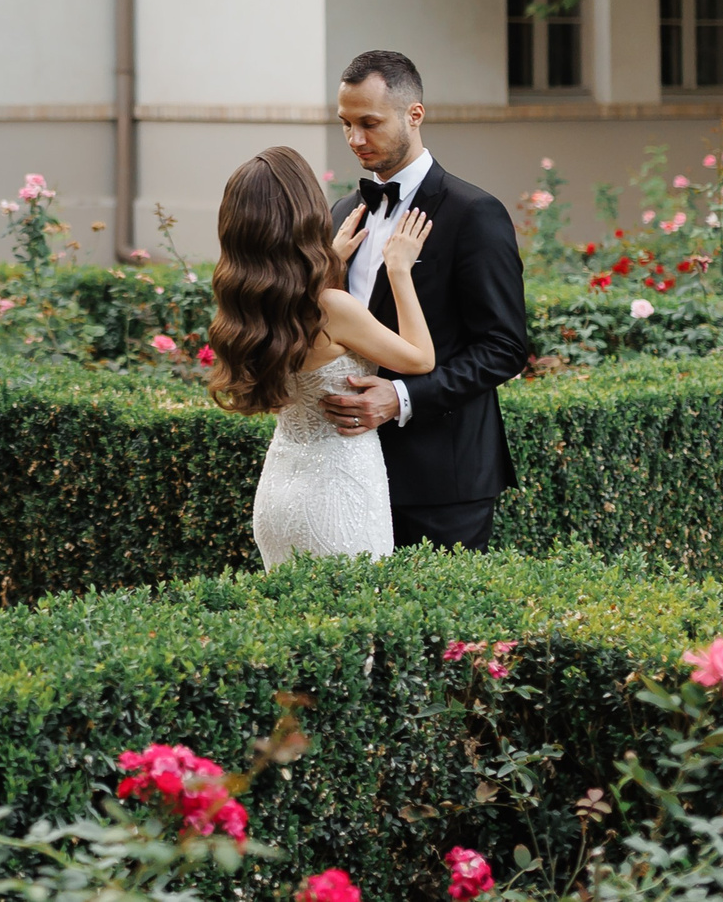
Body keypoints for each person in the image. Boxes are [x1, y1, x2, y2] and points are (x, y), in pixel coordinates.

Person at [315, 49, 530, 551]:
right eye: (345, 124)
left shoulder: (474, 213)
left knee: (446, 631)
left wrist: (402, 398)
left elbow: (504, 346)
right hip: (347, 472)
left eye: (369, 123)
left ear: (415, 115)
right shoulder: (344, 213)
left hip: (445, 480)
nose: (355, 140)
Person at [204, 144, 436, 566]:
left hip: (278, 493)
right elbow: (420, 360)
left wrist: (331, 262)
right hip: (338, 494)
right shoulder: (332, 308)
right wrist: (400, 271)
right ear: (306, 212)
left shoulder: (247, 305)